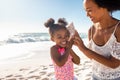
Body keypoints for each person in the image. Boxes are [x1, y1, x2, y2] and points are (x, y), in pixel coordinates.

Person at [74, 0, 120, 80]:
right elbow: (92, 58)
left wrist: (84, 49)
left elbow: (115, 64)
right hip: (95, 76)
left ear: (104, 6)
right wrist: (79, 45)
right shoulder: (91, 30)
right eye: (86, 11)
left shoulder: (118, 29)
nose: (87, 15)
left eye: (89, 10)